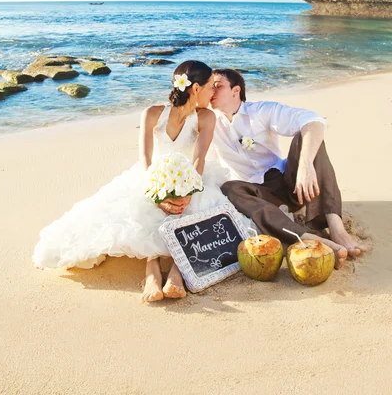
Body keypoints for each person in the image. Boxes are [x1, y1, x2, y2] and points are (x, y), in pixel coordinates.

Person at [33, 61, 253, 303]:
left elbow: (199, 158)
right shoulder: (152, 113)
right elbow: (145, 158)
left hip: (193, 177)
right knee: (147, 212)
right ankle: (152, 273)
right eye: (212, 86)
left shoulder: (206, 117)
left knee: (193, 208)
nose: (214, 92)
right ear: (196, 88)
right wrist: (157, 193)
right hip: (151, 177)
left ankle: (178, 274)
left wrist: (189, 190)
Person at [209, 69, 367, 269]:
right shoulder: (207, 121)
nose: (211, 91)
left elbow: (313, 121)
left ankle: (336, 227)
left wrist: (305, 165)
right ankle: (304, 236)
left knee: (306, 137)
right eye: (208, 87)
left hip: (289, 183)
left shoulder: (261, 111)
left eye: (217, 85)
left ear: (235, 90)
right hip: (257, 194)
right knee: (230, 188)